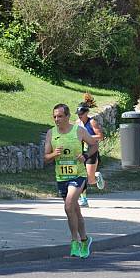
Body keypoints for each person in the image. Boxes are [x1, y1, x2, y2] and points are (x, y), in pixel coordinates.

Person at [44, 103, 98, 259]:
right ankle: (85, 239)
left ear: (67, 116)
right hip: (61, 177)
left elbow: (94, 145)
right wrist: (54, 154)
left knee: (68, 206)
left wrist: (86, 156)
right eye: (54, 116)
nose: (57, 119)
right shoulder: (51, 133)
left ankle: (74, 241)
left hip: (78, 176)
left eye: (60, 116)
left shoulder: (78, 130)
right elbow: (46, 158)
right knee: (75, 210)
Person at [76, 100, 105, 208]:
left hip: (91, 151)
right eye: (78, 114)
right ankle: (84, 200)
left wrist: (87, 137)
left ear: (86, 113)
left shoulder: (92, 122)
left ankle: (96, 177)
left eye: (81, 114)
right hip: (81, 152)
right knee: (81, 176)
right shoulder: (77, 123)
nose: (79, 116)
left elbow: (100, 136)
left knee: (90, 180)